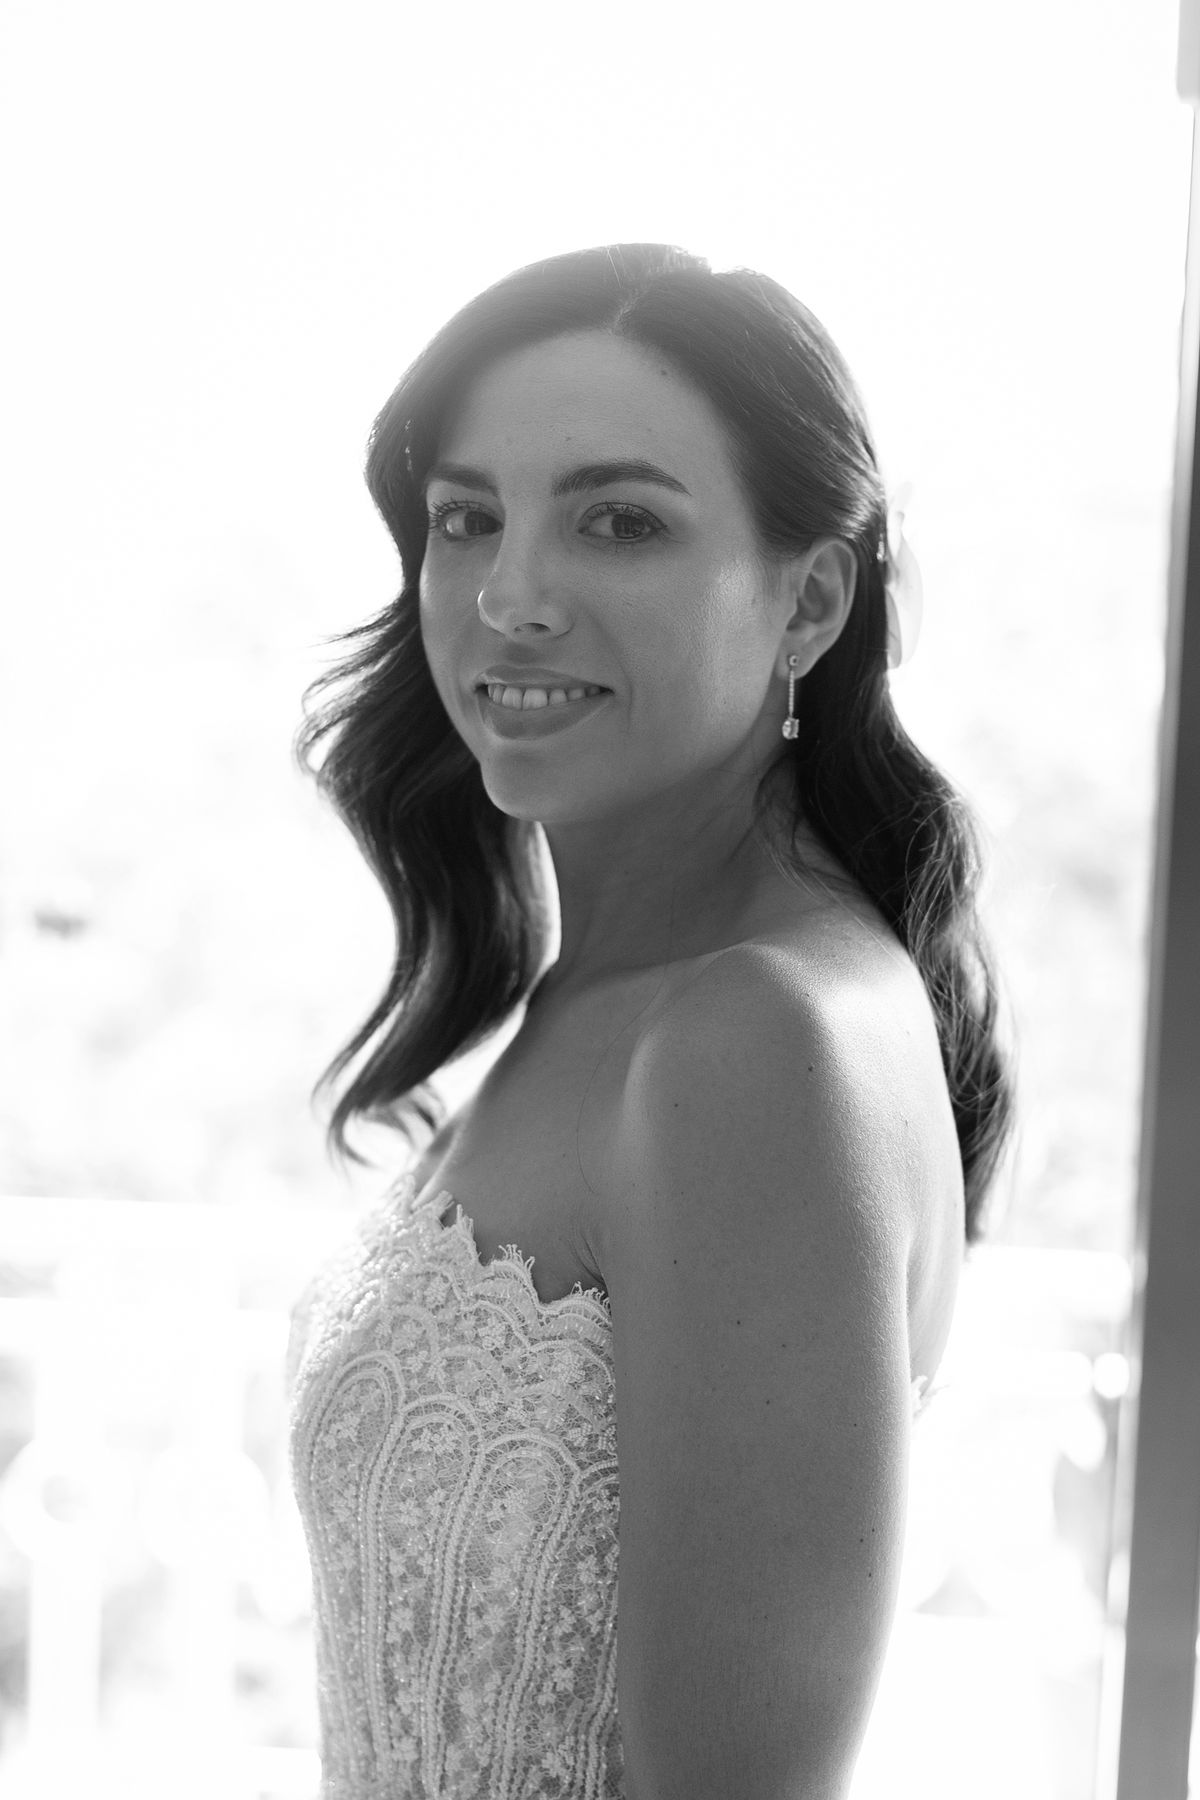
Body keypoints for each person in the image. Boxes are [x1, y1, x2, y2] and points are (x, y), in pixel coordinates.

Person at [285, 242, 1015, 1800]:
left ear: (811, 599)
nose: (510, 597)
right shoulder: (623, 991)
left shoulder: (755, 1037)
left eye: (619, 522)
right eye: (468, 519)